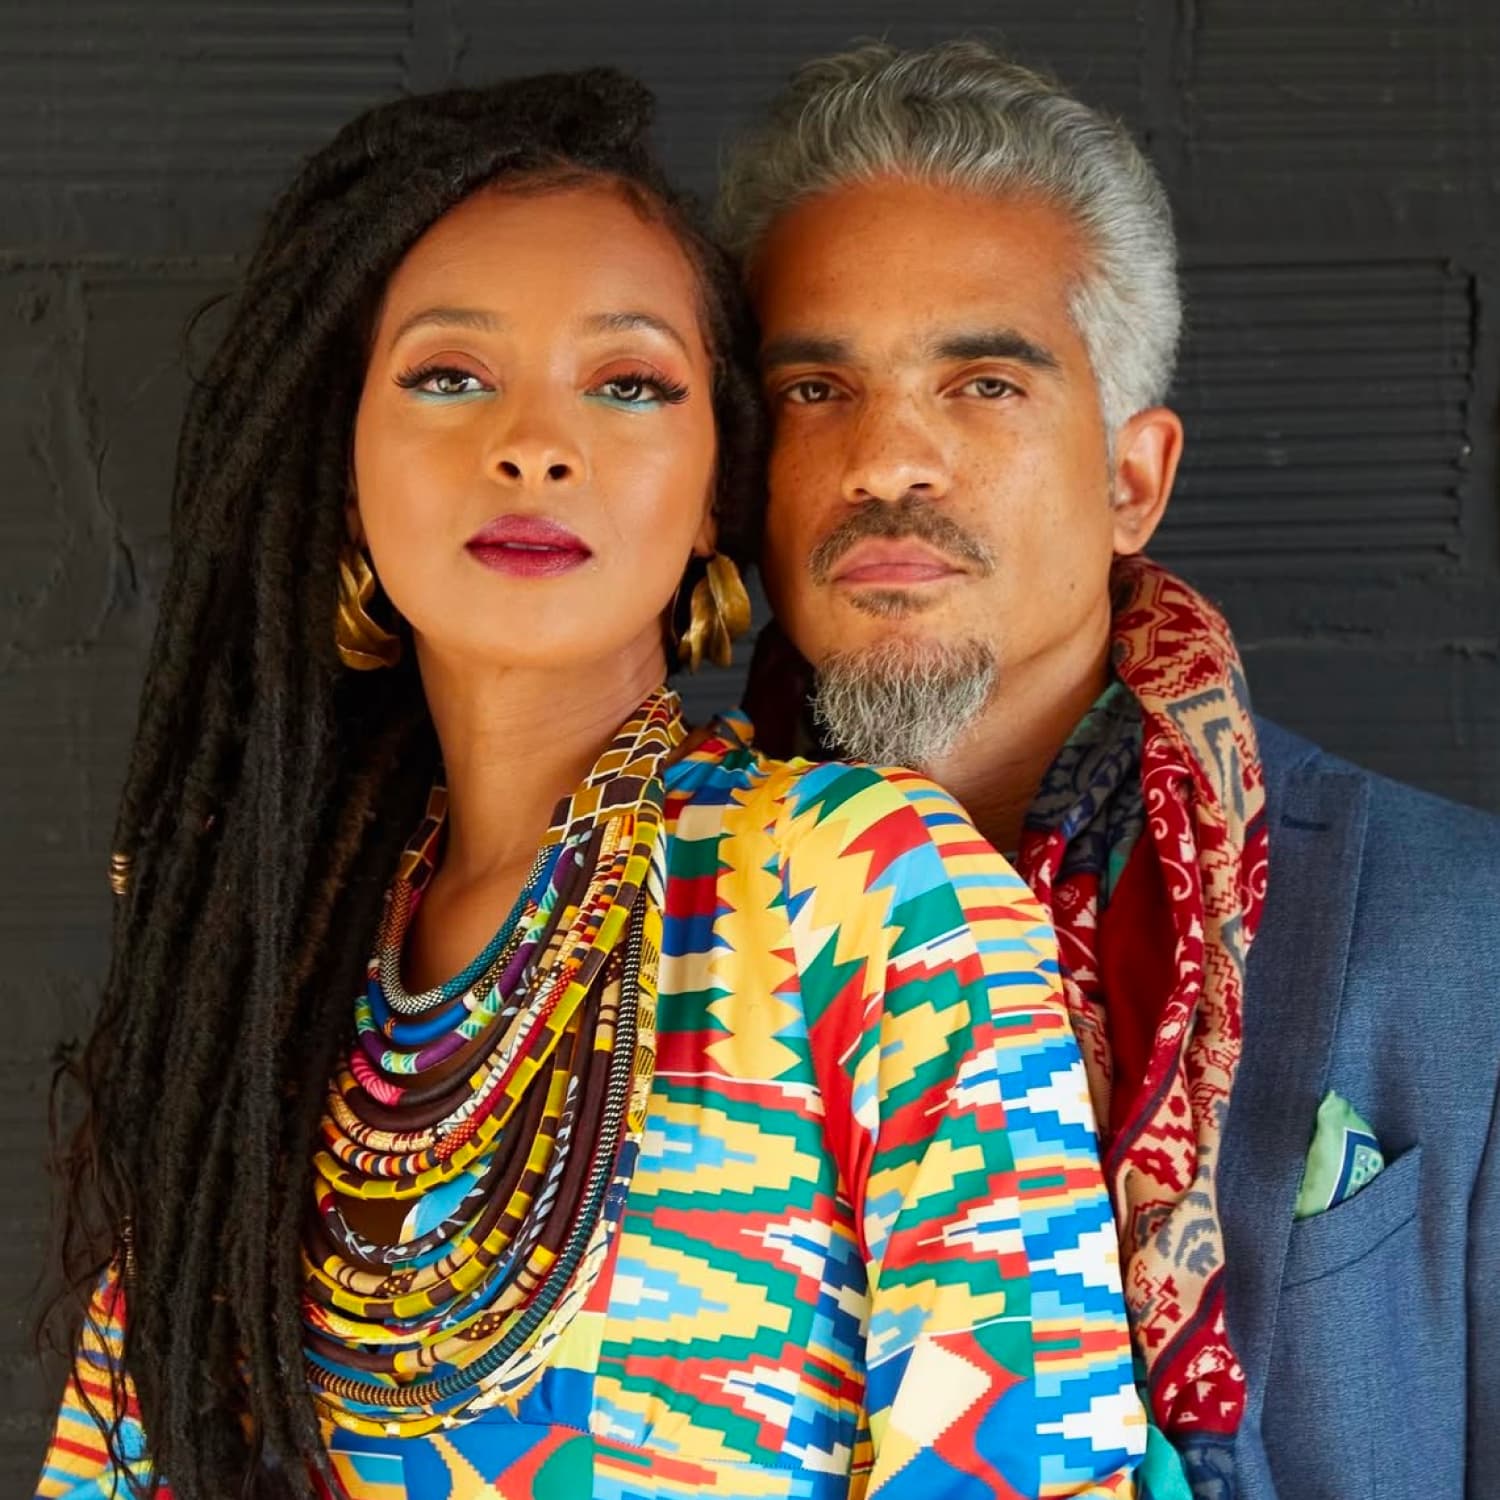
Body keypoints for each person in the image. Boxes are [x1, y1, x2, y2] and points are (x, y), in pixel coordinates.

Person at [36, 70, 1146, 1500]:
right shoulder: (262, 964)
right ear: (345, 469)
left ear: (714, 490)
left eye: (628, 384)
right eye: (449, 376)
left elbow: (1035, 1469)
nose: (534, 444)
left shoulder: (863, 893)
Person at [719, 39, 1500, 1500]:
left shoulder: (1461, 931)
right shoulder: (634, 925)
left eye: (983, 384)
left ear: (1132, 477)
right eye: (817, 389)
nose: (890, 460)